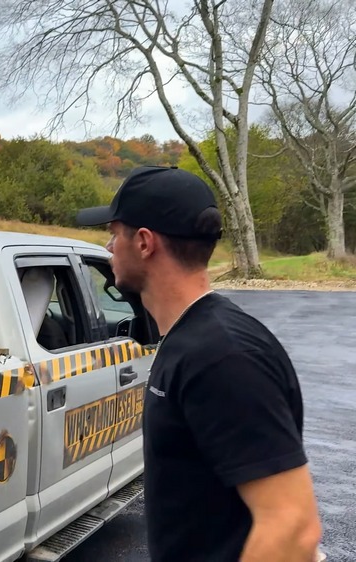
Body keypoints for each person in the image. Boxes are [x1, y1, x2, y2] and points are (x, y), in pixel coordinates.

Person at [75, 166, 323, 561]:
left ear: (143, 242)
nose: (108, 247)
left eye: (114, 232)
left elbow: (292, 528)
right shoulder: (191, 340)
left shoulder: (222, 358)